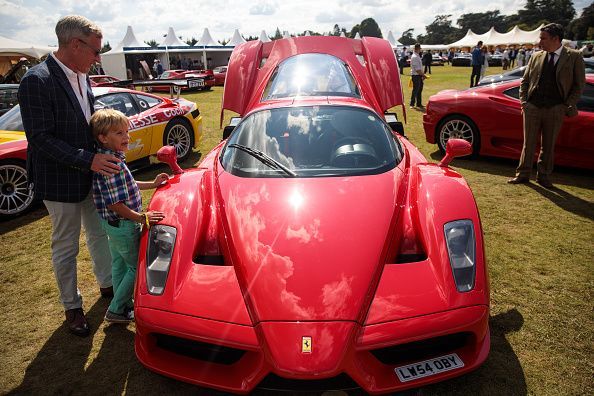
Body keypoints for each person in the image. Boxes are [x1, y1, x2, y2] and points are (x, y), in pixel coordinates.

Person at [18, 15, 120, 337]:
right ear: (75, 44)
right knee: (66, 247)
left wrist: (110, 138)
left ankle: (107, 286)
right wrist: (89, 159)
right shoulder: (37, 80)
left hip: (91, 176)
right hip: (59, 181)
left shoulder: (82, 76)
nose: (98, 58)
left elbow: (87, 124)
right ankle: (71, 306)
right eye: (95, 51)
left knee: (99, 234)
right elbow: (40, 139)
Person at [90, 109, 168, 323]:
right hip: (123, 225)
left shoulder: (112, 158)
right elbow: (115, 204)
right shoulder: (112, 165)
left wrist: (152, 184)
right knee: (136, 267)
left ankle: (122, 303)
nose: (126, 137)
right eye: (119, 133)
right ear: (103, 138)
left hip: (113, 225)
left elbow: (129, 185)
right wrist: (141, 217)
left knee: (119, 265)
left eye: (126, 131)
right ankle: (116, 310)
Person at [508, 23, 585, 188]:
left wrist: (565, 105)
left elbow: (579, 86)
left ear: (556, 39)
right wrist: (524, 103)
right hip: (532, 107)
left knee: (548, 145)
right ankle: (522, 175)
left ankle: (543, 177)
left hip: (556, 108)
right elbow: (525, 81)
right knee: (528, 143)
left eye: (543, 38)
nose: (539, 41)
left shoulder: (574, 56)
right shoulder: (536, 56)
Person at [409, 43, 426, 109]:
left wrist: (422, 75)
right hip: (416, 75)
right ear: (417, 49)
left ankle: (419, 104)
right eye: (419, 49)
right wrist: (423, 75)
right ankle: (412, 104)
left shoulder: (417, 56)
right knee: (416, 90)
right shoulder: (415, 57)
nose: (420, 50)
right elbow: (417, 69)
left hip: (418, 75)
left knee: (419, 90)